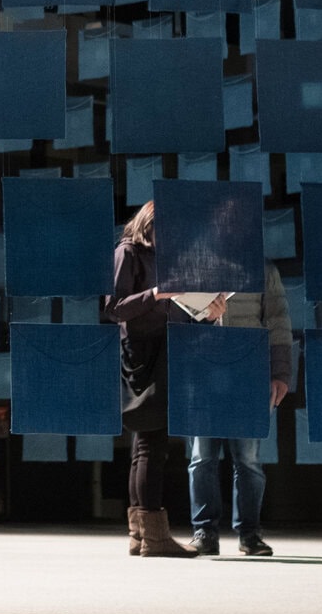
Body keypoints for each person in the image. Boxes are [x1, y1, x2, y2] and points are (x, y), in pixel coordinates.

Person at [105, 200, 194, 558]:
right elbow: (113, 308)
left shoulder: (163, 258)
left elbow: (174, 308)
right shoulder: (128, 252)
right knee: (150, 444)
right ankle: (153, 537)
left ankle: (141, 536)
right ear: (149, 224)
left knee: (146, 445)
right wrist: (155, 294)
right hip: (141, 353)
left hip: (163, 347)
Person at [186, 269, 292, 557]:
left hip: (249, 373)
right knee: (202, 456)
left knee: (248, 458)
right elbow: (178, 317)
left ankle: (250, 533)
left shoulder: (264, 269)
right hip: (204, 372)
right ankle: (205, 532)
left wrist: (280, 372)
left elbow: (278, 320)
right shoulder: (196, 267)